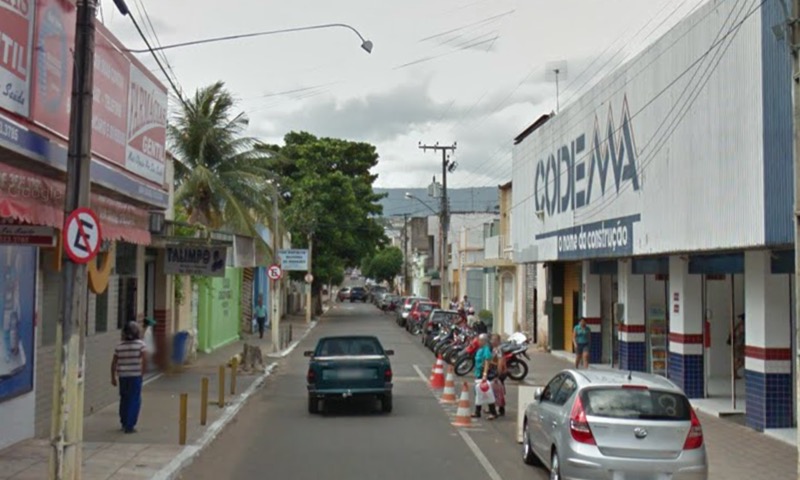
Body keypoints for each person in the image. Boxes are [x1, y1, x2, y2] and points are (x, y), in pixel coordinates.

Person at [111, 322, 147, 434]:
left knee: (124, 399)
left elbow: (114, 362)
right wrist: (142, 372)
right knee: (134, 400)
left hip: (123, 376)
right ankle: (130, 425)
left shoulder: (119, 346)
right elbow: (145, 360)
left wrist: (113, 377)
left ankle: (123, 422)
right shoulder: (141, 345)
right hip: (135, 376)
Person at [472, 333, 498, 420]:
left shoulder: (486, 349)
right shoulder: (480, 349)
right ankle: (477, 411)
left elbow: (487, 361)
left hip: (483, 374)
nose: (478, 342)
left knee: (487, 393)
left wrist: (485, 374)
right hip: (478, 373)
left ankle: (493, 412)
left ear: (483, 341)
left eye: (479, 340)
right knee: (478, 392)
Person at [489, 334, 507, 416]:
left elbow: (500, 362)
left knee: (498, 391)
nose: (492, 341)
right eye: (492, 340)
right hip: (496, 371)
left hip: (499, 372)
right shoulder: (494, 349)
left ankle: (499, 409)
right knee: (499, 390)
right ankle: (500, 408)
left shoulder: (498, 350)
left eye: (494, 340)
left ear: (498, 341)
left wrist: (498, 374)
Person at [727, 314, 745, 379]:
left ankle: (734, 373)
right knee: (742, 360)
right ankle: (734, 372)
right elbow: (740, 337)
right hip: (739, 345)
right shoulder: (742, 326)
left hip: (736, 345)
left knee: (737, 359)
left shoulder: (738, 325)